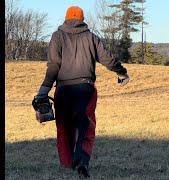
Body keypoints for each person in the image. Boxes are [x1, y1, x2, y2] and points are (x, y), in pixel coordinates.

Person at [33, 6, 129, 178]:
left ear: (66, 17)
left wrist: (43, 90)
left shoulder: (57, 36)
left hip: (62, 89)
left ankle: (67, 163)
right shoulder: (91, 37)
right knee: (86, 125)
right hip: (85, 89)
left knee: (63, 127)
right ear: (82, 19)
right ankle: (82, 161)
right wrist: (121, 72)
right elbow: (107, 58)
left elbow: (53, 65)